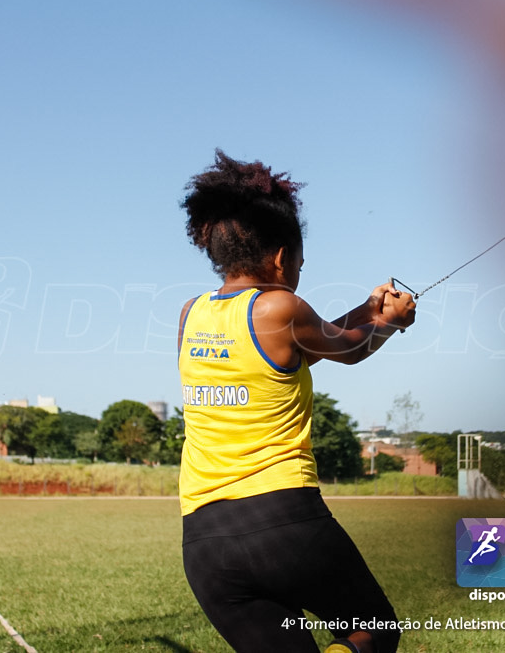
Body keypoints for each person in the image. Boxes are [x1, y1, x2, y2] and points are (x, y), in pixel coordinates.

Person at [177, 151, 416, 653]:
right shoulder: (280, 304)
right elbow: (347, 348)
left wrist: (370, 312)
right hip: (283, 523)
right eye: (301, 262)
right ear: (282, 257)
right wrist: (391, 320)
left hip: (204, 541)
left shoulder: (190, 315)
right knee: (375, 631)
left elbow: (300, 348)